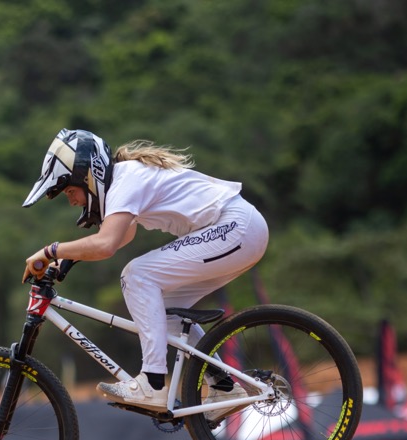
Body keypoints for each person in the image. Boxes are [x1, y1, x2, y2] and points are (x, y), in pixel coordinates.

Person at [20, 129, 269, 412]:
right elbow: (124, 234)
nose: (73, 201)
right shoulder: (124, 181)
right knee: (163, 309)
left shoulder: (127, 180)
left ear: (88, 176)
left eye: (70, 191)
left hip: (235, 228)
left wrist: (51, 250)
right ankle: (224, 387)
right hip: (239, 232)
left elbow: (106, 244)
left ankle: (152, 383)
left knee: (136, 275)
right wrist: (65, 261)